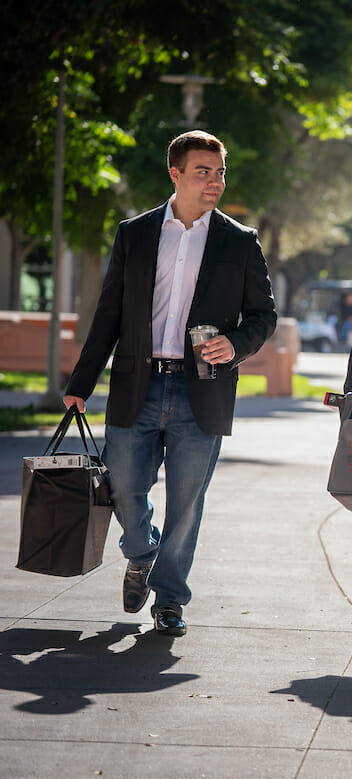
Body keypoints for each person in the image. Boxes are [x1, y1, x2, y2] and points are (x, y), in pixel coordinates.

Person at [64, 130, 277, 636]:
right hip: (137, 384)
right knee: (122, 488)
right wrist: (81, 381)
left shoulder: (239, 242)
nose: (215, 182)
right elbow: (109, 313)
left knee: (187, 503)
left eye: (220, 172)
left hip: (200, 390)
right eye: (204, 171)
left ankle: (170, 600)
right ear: (175, 174)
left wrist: (236, 344)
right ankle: (140, 552)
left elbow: (263, 316)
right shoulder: (134, 234)